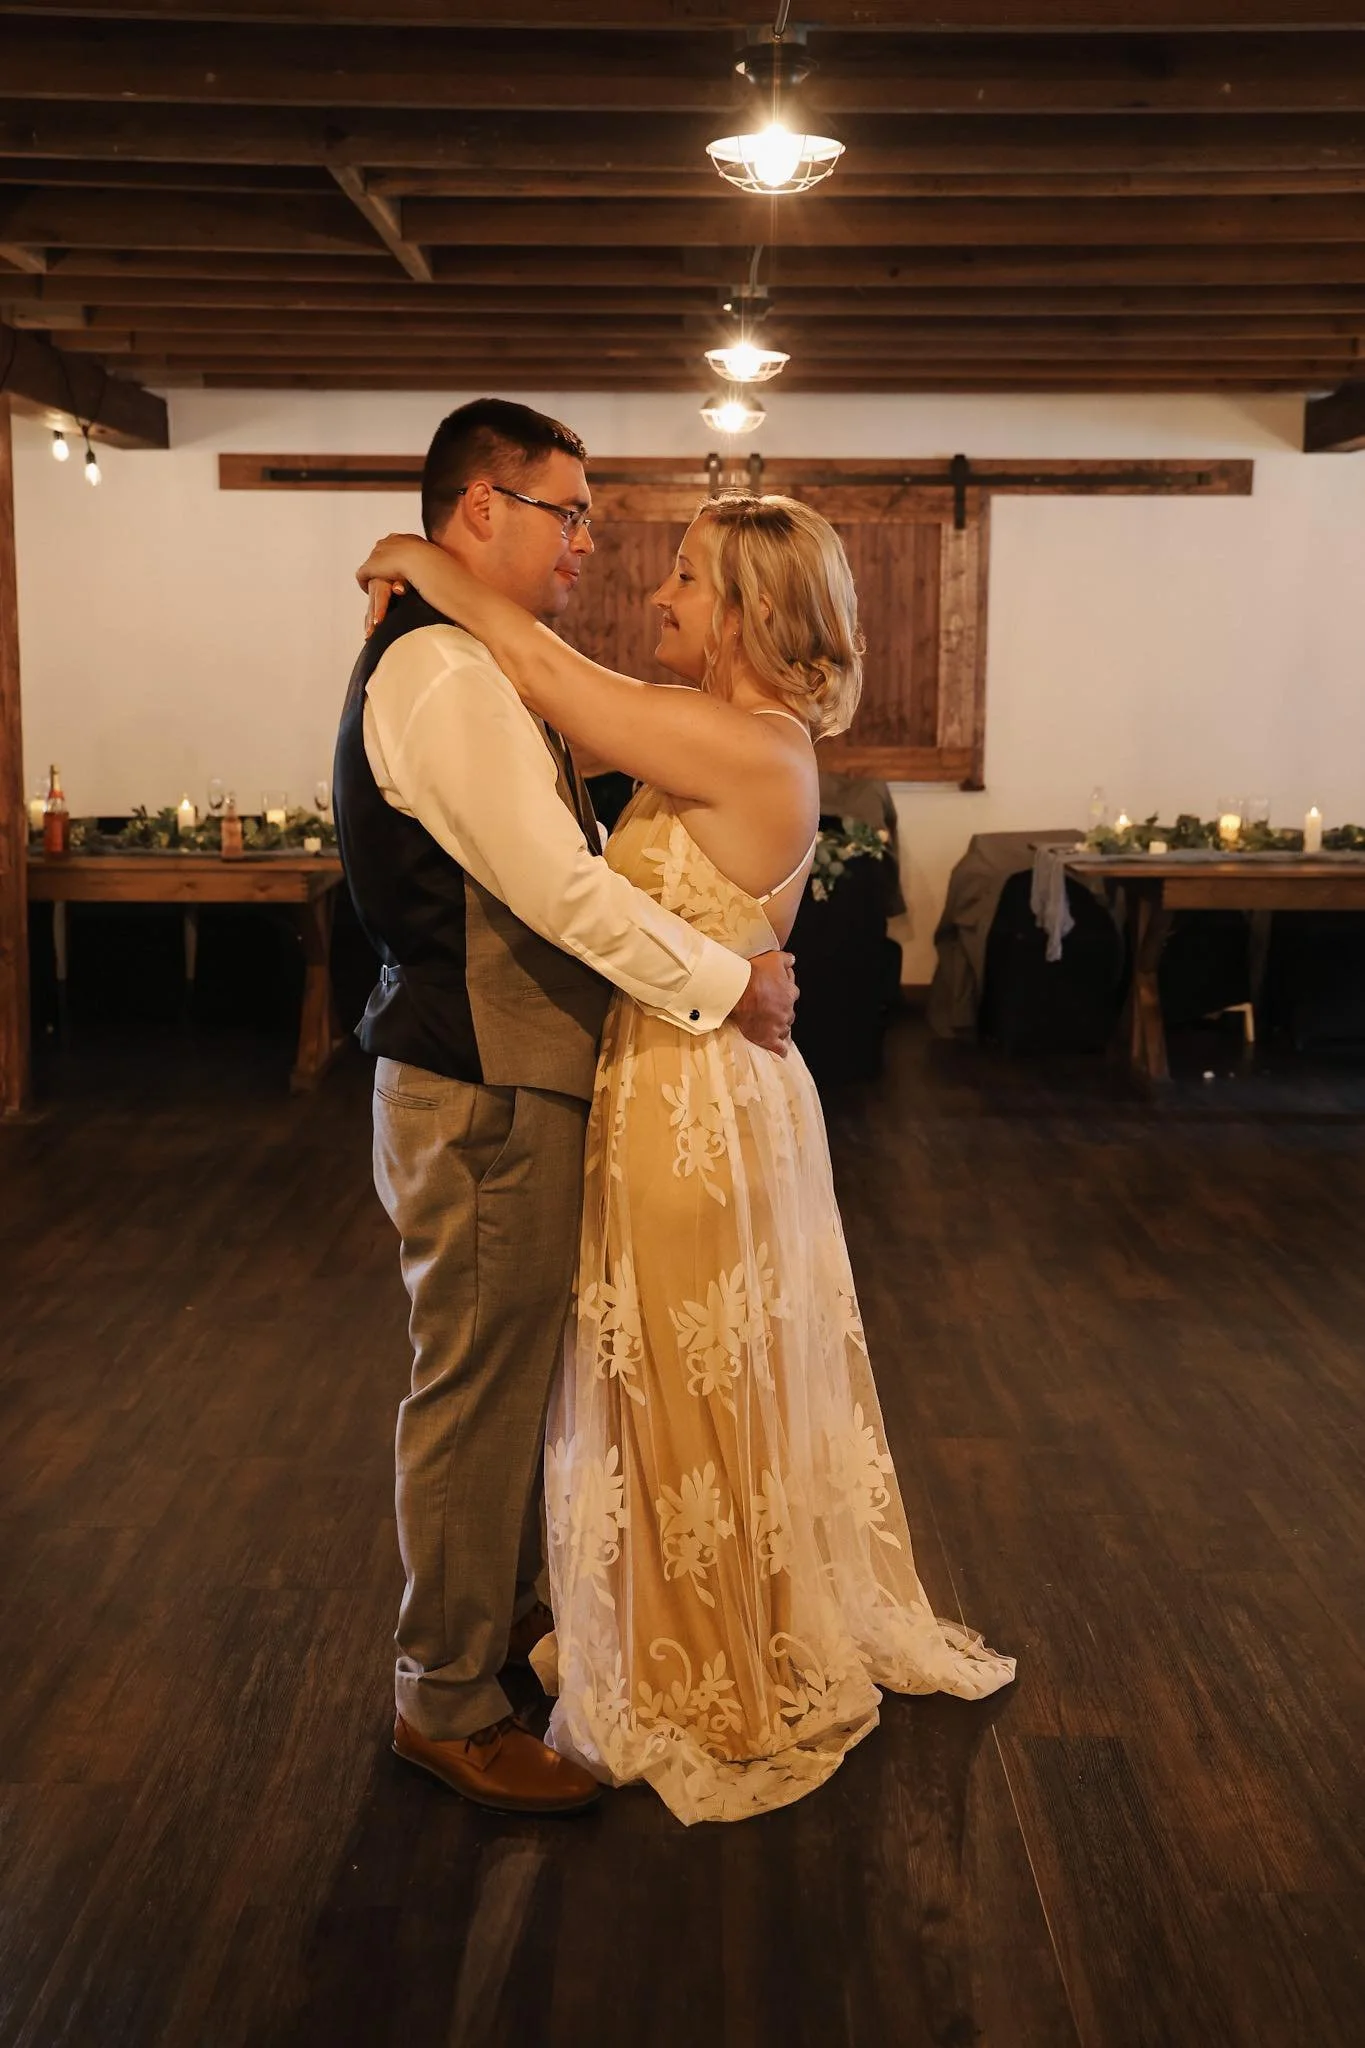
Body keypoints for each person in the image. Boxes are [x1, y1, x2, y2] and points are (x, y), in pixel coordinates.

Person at [356, 492, 1016, 1826]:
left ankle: (714, 1660)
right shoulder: (712, 739)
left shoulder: (742, 744)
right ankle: (669, 1616)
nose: (656, 595)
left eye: (686, 577)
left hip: (693, 1107)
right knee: (657, 1378)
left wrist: (421, 562)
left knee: (689, 1382)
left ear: (752, 615)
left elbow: (544, 668)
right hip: (677, 1087)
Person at [331, 400, 798, 1817]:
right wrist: (731, 982)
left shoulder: (480, 660)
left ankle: (502, 1643)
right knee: (472, 1393)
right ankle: (448, 1704)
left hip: (512, 1078)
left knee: (509, 1380)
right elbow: (560, 891)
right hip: (478, 1086)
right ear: (485, 511)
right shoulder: (446, 678)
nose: (590, 543)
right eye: (569, 512)